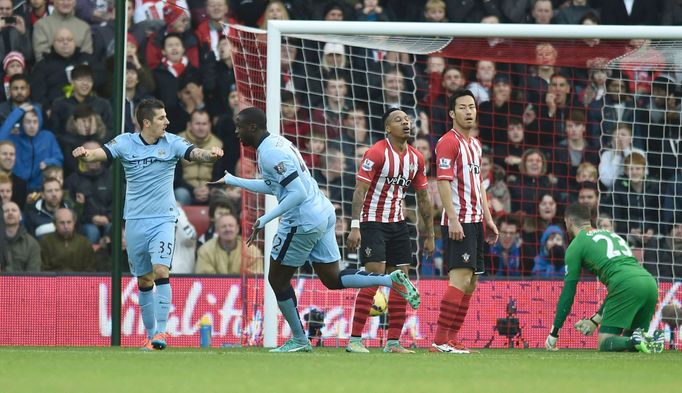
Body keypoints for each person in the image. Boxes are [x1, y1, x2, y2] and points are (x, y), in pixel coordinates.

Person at [209, 107, 420, 353]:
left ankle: (299, 339)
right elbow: (276, 186)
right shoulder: (278, 143)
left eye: (239, 126)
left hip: (302, 220)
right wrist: (234, 180)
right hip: (323, 212)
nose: (236, 131)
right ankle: (389, 279)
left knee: (277, 279)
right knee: (332, 278)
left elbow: (296, 193)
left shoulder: (269, 154)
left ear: (252, 127)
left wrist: (265, 218)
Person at [72, 98, 224, 351]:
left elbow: (194, 153)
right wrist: (86, 154)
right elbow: (99, 154)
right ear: (146, 123)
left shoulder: (172, 142)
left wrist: (210, 155)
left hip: (164, 218)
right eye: (162, 118)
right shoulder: (125, 142)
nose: (167, 121)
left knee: (161, 270)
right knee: (144, 279)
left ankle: (162, 332)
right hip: (134, 221)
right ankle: (151, 335)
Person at [345, 108, 435, 354]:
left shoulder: (416, 158)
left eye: (407, 119)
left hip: (398, 224)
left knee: (401, 280)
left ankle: (393, 342)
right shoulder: (376, 152)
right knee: (373, 277)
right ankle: (354, 340)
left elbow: (424, 197)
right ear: (387, 128)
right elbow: (359, 191)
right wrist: (355, 227)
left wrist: (430, 234)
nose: (405, 123)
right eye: (398, 120)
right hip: (372, 222)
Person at [431, 90, 499, 353]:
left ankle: (451, 338)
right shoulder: (448, 142)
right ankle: (438, 341)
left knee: (471, 282)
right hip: (459, 221)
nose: (469, 111)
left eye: (472, 107)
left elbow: (479, 186)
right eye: (462, 107)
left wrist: (488, 219)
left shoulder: (476, 144)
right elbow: (444, 183)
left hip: (476, 221)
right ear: (452, 113)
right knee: (459, 279)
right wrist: (454, 220)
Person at [545, 203, 663, 353]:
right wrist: (594, 320)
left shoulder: (576, 245)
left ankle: (637, 338)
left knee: (604, 342)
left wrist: (553, 334)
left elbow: (568, 294)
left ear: (568, 221)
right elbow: (620, 283)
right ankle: (648, 339)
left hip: (626, 285)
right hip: (649, 283)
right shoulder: (613, 235)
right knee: (630, 347)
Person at [194, 213, 262, 274]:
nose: (228, 229)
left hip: (243, 287)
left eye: (231, 226)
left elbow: (254, 280)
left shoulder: (252, 251)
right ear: (217, 230)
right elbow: (205, 278)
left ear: (237, 229)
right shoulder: (205, 250)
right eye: (223, 226)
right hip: (214, 287)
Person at [40, 207, 95, 271]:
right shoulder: (46, 242)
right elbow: (43, 270)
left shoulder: (85, 243)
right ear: (55, 224)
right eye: (62, 223)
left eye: (69, 222)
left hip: (79, 280)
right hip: (54, 280)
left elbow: (90, 270)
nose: (66, 226)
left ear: (74, 223)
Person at [3, 201, 41, 272]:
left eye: (14, 210)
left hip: (23, 283)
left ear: (20, 216)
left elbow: (33, 275)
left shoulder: (32, 244)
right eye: (6, 211)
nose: (10, 213)